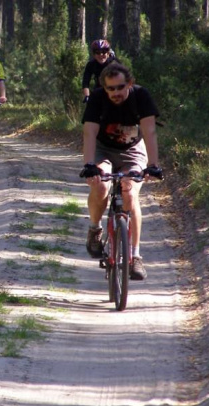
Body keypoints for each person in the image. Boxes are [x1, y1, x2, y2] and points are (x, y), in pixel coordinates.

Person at [79, 63, 163, 280]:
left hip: (133, 150)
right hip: (102, 149)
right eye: (110, 89)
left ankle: (135, 256)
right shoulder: (97, 99)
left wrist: (153, 165)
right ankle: (95, 230)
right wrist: (89, 165)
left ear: (130, 83)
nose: (115, 92)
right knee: (101, 185)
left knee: (130, 192)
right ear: (104, 88)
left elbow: (150, 131)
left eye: (120, 87)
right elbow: (89, 133)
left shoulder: (141, 96)